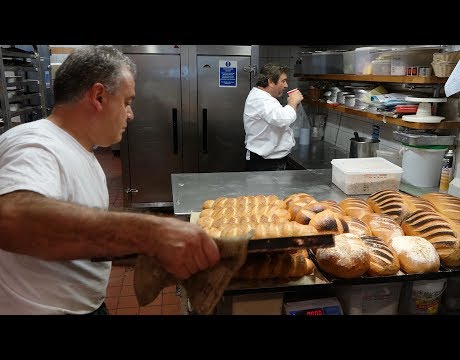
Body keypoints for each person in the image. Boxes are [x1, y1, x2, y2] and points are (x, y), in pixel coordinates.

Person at [0, 45, 220, 315]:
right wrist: (152, 232)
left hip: (86, 307)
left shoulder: (83, 154)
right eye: (127, 102)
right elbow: (12, 219)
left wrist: (156, 254)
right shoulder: (36, 144)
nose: (131, 114)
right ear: (99, 96)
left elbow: (80, 241)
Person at [243, 63, 304, 171]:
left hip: (271, 160)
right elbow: (282, 119)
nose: (286, 85)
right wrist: (293, 102)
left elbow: (277, 116)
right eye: (283, 81)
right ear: (271, 82)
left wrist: (291, 104)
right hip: (265, 163)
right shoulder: (261, 99)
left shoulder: (264, 97)